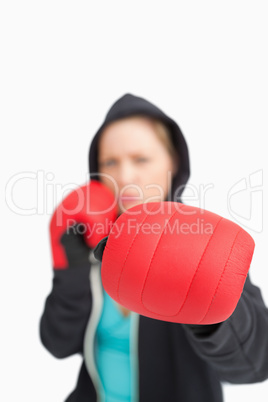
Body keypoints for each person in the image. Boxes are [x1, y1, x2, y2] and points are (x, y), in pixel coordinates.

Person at [40, 93, 268, 402]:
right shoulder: (89, 240)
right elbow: (58, 344)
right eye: (110, 162)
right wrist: (71, 271)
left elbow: (254, 366)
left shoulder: (201, 241)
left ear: (173, 162)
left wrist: (208, 309)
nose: (124, 177)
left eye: (141, 159)